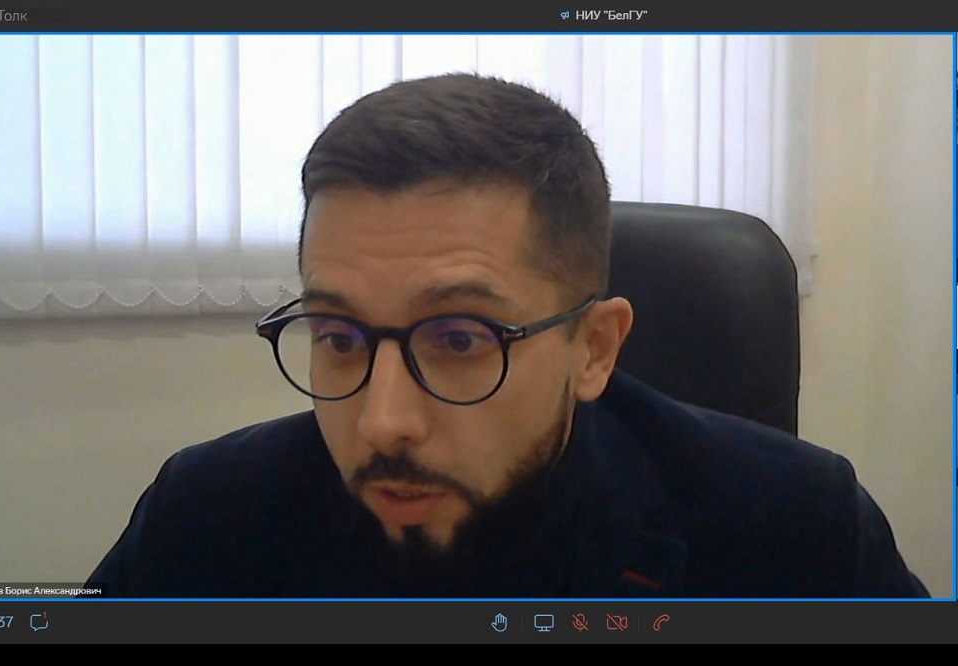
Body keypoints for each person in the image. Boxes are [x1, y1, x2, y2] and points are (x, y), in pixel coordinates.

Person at [85, 72, 930, 598]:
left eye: (458, 340)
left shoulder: (793, 530)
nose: (382, 422)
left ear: (593, 349)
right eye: (339, 336)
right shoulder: (209, 515)